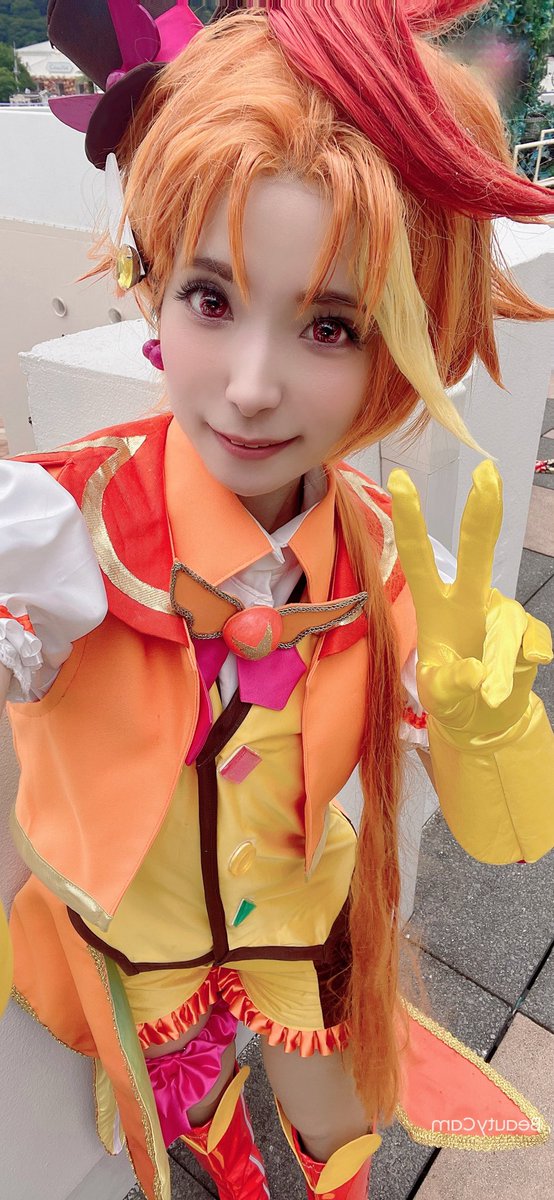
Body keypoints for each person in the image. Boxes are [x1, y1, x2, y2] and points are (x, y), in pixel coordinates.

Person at [1, 3, 554, 1198]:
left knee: (340, 1110)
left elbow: (512, 842)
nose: (251, 388)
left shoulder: (383, 562)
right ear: (152, 281)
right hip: (137, 946)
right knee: (188, 1106)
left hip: (303, 931)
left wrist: (490, 723)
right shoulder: (54, 529)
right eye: (211, 299)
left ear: (403, 340)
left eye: (328, 325)